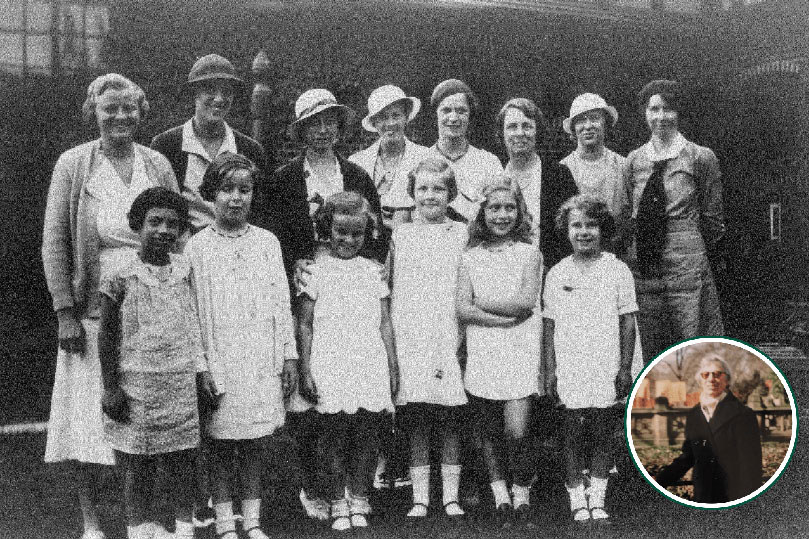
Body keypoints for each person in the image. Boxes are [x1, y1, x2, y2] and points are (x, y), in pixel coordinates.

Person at [41, 73, 178, 539]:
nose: (120, 117)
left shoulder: (157, 163)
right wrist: (64, 311)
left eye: (129, 109)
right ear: (93, 114)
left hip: (150, 307)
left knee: (144, 417)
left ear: (141, 113)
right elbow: (55, 240)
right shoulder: (74, 164)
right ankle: (92, 523)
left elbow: (175, 233)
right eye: (109, 110)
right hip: (91, 310)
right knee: (86, 419)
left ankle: (144, 520)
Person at [268, 88, 384, 519]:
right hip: (306, 285)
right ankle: (314, 484)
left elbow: (373, 235)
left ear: (339, 127)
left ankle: (354, 489)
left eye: (329, 122)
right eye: (313, 123)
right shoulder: (283, 179)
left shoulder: (355, 176)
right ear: (301, 131)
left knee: (351, 401)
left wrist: (371, 267)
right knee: (309, 405)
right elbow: (274, 236)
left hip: (350, 289)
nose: (322, 130)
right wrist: (294, 263)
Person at [184, 153, 298, 539]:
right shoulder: (197, 246)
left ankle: (252, 520)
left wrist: (289, 356)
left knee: (254, 443)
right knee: (219, 442)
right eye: (227, 189)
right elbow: (193, 311)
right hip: (220, 357)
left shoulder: (267, 242)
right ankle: (224, 521)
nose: (235, 198)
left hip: (259, 356)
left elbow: (282, 303)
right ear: (211, 195)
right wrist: (201, 365)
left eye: (244, 190)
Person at [98, 187, 212, 539]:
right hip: (137, 381)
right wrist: (112, 387)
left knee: (181, 458)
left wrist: (200, 371)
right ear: (137, 225)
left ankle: (181, 526)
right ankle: (139, 526)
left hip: (179, 379)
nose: (164, 230)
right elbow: (107, 335)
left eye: (172, 224)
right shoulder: (121, 273)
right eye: (155, 222)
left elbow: (193, 322)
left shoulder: (184, 269)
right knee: (137, 459)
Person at [296, 192, 400, 531]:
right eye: (341, 232)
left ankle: (359, 495)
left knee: (367, 432)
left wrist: (392, 365)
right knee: (334, 435)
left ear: (366, 233)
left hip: (367, 360)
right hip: (331, 361)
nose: (348, 240)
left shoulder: (373, 272)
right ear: (328, 230)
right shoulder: (316, 271)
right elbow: (306, 324)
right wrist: (306, 368)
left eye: (356, 233)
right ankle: (337, 498)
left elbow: (385, 322)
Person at [542, 194, 637, 525]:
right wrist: (550, 370)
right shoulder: (556, 273)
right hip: (570, 363)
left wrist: (625, 368)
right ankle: (576, 499)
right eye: (576, 225)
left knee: (602, 431)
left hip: (606, 362)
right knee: (570, 432)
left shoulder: (618, 269)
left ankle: (597, 498)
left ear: (604, 229)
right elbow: (549, 325)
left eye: (591, 225)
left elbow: (627, 321)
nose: (584, 232)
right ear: (566, 231)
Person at [456, 180, 542, 525]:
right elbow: (462, 309)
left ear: (520, 212)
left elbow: (525, 302)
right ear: (482, 212)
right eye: (494, 208)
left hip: (520, 348)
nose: (502, 215)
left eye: (509, 208)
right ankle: (501, 497)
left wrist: (482, 305)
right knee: (488, 430)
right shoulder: (470, 256)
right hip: (484, 347)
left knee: (517, 433)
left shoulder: (529, 253)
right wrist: (497, 320)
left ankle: (523, 492)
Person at [620, 80, 725, 362]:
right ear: (645, 113)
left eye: (669, 109)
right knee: (651, 342)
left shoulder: (700, 157)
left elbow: (713, 221)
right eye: (654, 109)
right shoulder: (633, 161)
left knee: (693, 341)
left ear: (679, 113)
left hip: (687, 266)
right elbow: (628, 214)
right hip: (645, 267)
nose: (661, 117)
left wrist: (686, 245)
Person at [388, 159, 468, 518]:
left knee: (450, 413)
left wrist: (463, 334)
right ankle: (420, 496)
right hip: (411, 332)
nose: (430, 195)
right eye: (422, 188)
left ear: (450, 193)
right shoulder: (400, 234)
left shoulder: (463, 233)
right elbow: (391, 287)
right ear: (412, 194)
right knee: (418, 413)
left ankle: (450, 495)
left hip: (448, 329)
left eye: (438, 188)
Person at [150, 53, 271, 234]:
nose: (219, 99)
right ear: (194, 93)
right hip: (185, 248)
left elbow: (261, 213)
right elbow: (158, 210)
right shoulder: (166, 145)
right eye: (210, 90)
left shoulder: (250, 149)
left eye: (227, 92)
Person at [656, 355, 763, 503]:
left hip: (733, 497)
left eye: (717, 374)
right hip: (703, 495)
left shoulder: (744, 415)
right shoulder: (694, 415)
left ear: (727, 380)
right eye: (706, 375)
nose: (711, 379)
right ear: (700, 380)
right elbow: (688, 457)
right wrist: (659, 481)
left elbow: (751, 467)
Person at [497, 97, 578, 269]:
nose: (520, 133)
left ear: (537, 131)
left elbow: (572, 231)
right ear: (502, 133)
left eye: (527, 126)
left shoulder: (559, 175)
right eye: (512, 127)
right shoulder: (495, 176)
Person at [349, 84, 431, 230]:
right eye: (383, 117)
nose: (390, 123)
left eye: (396, 115)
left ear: (406, 117)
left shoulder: (425, 158)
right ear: (374, 122)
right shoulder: (357, 162)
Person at [428, 79, 503, 223]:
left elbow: (499, 213)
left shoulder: (488, 162)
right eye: (446, 110)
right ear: (436, 113)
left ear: (470, 115)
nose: (453, 118)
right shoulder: (419, 159)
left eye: (461, 111)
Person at [560, 93, 626, 219]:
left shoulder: (622, 165)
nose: (588, 126)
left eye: (594, 118)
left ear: (605, 123)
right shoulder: (564, 168)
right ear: (573, 128)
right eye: (581, 120)